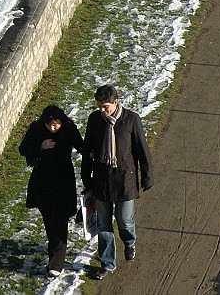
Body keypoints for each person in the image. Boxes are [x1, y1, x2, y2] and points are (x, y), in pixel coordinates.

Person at [81, 84, 153, 280]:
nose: (102, 111)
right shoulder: (95, 120)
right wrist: (86, 176)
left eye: (106, 107)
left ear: (116, 102)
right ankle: (107, 262)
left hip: (125, 179)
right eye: (99, 107)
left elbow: (141, 150)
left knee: (124, 220)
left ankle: (129, 242)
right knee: (104, 224)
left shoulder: (131, 120)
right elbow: (88, 148)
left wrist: (147, 175)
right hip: (102, 180)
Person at [19, 104, 84, 277]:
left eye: (56, 124)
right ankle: (53, 253)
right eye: (49, 125)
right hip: (43, 181)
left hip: (63, 181)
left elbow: (82, 146)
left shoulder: (69, 129)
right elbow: (23, 149)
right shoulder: (37, 129)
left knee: (60, 219)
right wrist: (40, 146)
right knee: (49, 218)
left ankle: (56, 263)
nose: (52, 128)